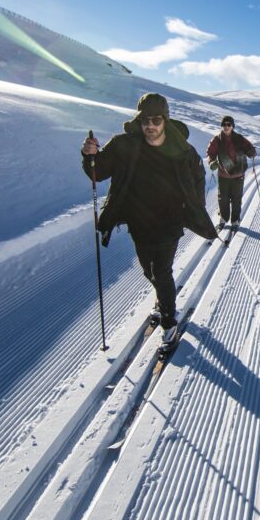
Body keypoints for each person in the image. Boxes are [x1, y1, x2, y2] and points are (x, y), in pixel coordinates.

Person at [81, 92, 217, 347]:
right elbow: (98, 172)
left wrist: (192, 209)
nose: (150, 126)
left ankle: (169, 322)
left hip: (170, 221)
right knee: (148, 269)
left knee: (161, 271)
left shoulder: (183, 150)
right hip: (139, 222)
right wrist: (89, 155)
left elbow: (197, 181)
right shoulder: (125, 145)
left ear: (165, 120)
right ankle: (163, 298)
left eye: (156, 120)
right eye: (145, 121)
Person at [206, 115, 257, 230]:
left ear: (232, 126)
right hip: (223, 174)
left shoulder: (239, 138)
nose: (226, 126)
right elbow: (210, 153)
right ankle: (223, 218)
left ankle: (235, 221)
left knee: (236, 199)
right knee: (222, 198)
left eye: (228, 124)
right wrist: (211, 161)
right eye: (224, 124)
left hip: (238, 174)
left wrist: (251, 152)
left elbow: (249, 148)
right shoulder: (217, 140)